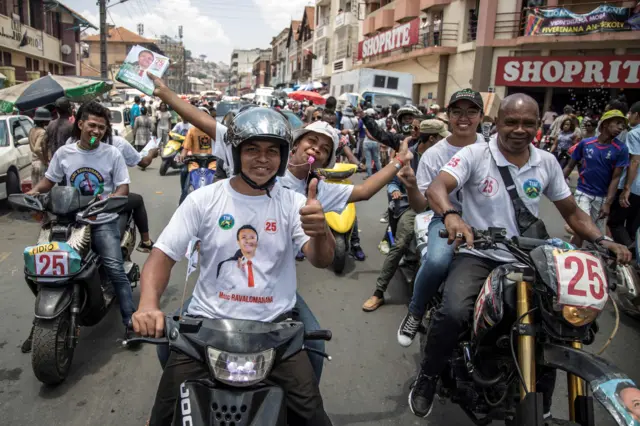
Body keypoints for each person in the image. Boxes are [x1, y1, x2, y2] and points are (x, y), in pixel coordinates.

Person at [409, 93, 631, 418]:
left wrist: (602, 239)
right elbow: (438, 187)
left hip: (528, 257)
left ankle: (537, 400)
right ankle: (427, 378)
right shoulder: (474, 154)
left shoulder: (547, 162)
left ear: (538, 126)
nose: (519, 129)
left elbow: (571, 212)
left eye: (528, 123)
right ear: (497, 123)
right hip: (479, 253)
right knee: (454, 311)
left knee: (553, 322)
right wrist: (452, 216)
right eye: (511, 121)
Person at [132, 107, 335, 426]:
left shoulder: (293, 203)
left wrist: (320, 230)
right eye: (252, 149)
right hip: (205, 328)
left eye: (272, 151)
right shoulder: (203, 199)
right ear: (237, 152)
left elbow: (321, 259)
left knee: (314, 418)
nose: (262, 159)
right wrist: (147, 305)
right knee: (163, 417)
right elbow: (162, 256)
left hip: (276, 330)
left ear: (283, 157)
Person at [21, 101, 135, 353]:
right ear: (80, 124)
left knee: (116, 269)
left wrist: (109, 200)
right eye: (92, 125)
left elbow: (122, 188)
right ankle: (39, 325)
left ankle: (130, 321)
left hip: (101, 221)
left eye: (102, 128)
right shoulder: (64, 153)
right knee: (42, 270)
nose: (96, 131)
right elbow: (49, 182)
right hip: (68, 221)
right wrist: (33, 196)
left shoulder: (112, 154)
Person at [368, 89, 484, 324]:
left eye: (472, 112)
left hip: (481, 220)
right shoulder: (419, 154)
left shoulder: (491, 149)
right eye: (457, 112)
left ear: (481, 116)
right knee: (409, 247)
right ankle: (387, 295)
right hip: (433, 212)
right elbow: (420, 202)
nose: (464, 118)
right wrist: (407, 186)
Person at [362, 119, 448, 313]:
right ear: (432, 138)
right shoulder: (407, 155)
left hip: (442, 207)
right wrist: (395, 189)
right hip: (414, 206)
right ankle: (378, 292)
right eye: (442, 138)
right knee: (400, 243)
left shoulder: (448, 156)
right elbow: (392, 181)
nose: (445, 141)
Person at [563, 109, 629, 248]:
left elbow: (616, 178)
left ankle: (595, 261)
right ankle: (572, 258)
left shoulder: (621, 149)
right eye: (617, 123)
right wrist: (557, 185)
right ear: (605, 124)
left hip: (602, 197)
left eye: (622, 126)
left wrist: (608, 204)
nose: (621, 128)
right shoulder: (585, 144)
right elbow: (570, 166)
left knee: (597, 236)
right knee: (582, 228)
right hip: (583, 192)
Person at [178, 108, 226, 204]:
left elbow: (222, 146)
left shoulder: (215, 130)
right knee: (184, 172)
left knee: (221, 182)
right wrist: (183, 155)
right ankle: (182, 201)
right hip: (195, 161)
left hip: (212, 161)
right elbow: (186, 147)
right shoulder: (192, 131)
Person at [609, 101, 640, 248]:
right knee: (633, 227)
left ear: (636, 115)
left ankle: (629, 254)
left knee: (614, 223)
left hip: (633, 186)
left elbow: (634, 161)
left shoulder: (634, 133)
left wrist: (626, 188)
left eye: (630, 114)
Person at [29, 107, 52, 186]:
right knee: (43, 189)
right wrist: (45, 161)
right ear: (44, 121)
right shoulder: (42, 132)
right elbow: (37, 149)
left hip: (33, 162)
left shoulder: (32, 130)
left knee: (35, 188)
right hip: (40, 163)